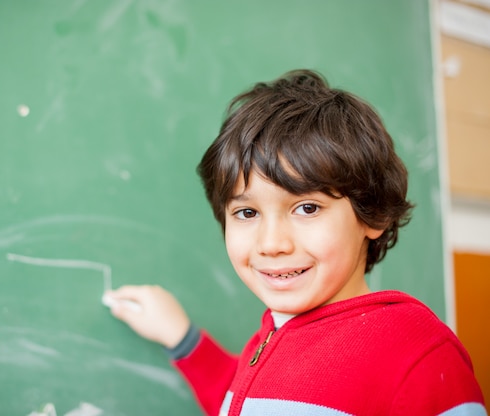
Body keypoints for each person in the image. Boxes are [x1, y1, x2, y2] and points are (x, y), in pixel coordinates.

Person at [104, 69, 486, 416]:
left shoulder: (414, 355)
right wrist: (183, 340)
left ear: (373, 214)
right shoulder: (271, 339)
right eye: (247, 213)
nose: (271, 244)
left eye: (306, 208)